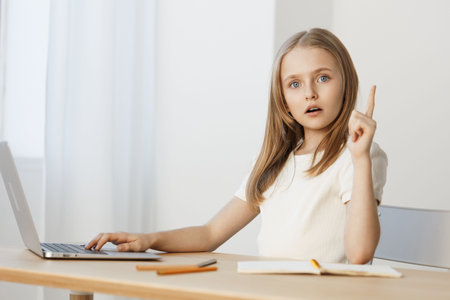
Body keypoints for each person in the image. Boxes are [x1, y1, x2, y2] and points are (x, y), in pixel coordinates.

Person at [86, 28, 387, 264]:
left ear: (345, 83)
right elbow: (209, 234)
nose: (309, 93)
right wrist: (148, 240)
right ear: (283, 101)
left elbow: (360, 254)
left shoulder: (359, 156)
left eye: (322, 78)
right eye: (294, 84)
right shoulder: (275, 163)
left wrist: (360, 159)